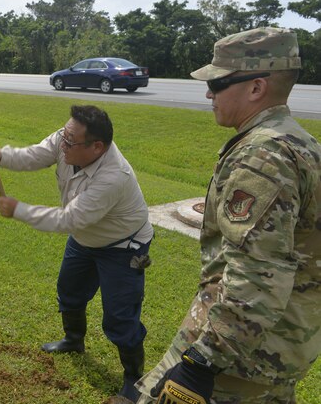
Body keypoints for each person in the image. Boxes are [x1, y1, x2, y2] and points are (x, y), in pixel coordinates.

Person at [136, 28, 321, 403]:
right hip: (281, 340)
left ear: (256, 88)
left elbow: (258, 273)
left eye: (218, 83)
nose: (208, 93)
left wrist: (202, 361)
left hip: (240, 357)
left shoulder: (262, 156)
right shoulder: (302, 142)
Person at [0, 104, 154, 401]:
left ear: (97, 147)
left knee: (119, 316)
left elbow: (67, 220)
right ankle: (74, 341)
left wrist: (19, 210)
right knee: (69, 291)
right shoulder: (68, 140)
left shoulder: (114, 177)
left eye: (70, 141)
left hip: (122, 247)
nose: (62, 144)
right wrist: (2, 156)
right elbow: (37, 153)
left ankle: (134, 377)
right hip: (85, 238)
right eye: (64, 135)